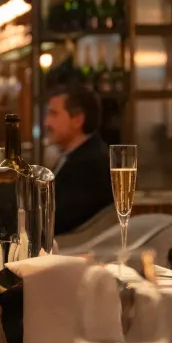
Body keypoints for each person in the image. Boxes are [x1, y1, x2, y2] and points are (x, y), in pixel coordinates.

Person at [42, 84, 114, 236]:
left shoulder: (92, 164)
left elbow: (57, 220)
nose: (47, 122)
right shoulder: (75, 156)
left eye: (53, 114)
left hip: (72, 248)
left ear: (78, 120)